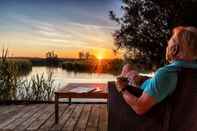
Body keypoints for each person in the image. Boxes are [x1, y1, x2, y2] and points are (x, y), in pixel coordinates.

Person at [116, 26, 197, 115]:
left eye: (169, 42)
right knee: (128, 68)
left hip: (143, 102)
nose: (167, 44)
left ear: (174, 49)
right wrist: (144, 79)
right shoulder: (190, 71)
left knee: (125, 72)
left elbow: (139, 107)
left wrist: (122, 88)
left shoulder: (168, 73)